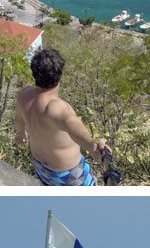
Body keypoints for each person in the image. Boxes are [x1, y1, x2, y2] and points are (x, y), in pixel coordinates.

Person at [15, 48, 108, 186]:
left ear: (34, 72)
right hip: (68, 174)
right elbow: (72, 125)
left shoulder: (24, 95)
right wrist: (90, 144)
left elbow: (19, 119)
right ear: (60, 74)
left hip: (41, 167)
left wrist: (20, 133)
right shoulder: (56, 107)